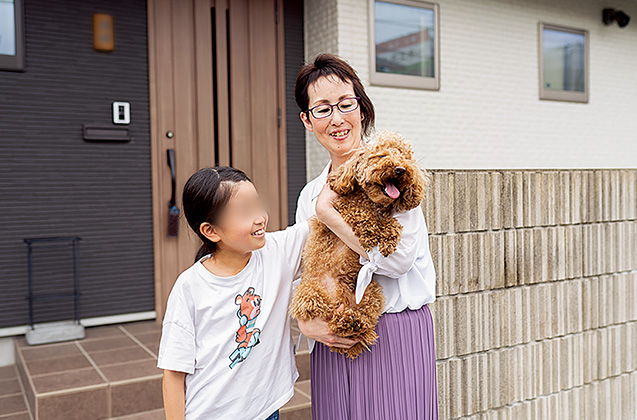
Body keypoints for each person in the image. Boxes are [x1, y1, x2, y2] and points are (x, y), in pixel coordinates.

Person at [294, 53, 439, 418]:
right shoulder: (309, 193)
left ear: (361, 108)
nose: (337, 119)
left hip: (394, 329)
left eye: (346, 104)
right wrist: (303, 319)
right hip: (332, 336)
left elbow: (398, 260)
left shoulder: (393, 176)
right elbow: (303, 269)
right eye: (323, 109)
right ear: (307, 121)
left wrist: (329, 214)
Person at [158, 166, 309, 420]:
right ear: (211, 231)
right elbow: (174, 372)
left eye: (257, 204)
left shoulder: (276, 252)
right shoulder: (190, 287)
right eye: (245, 211)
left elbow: (324, 218)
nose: (260, 217)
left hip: (265, 409)